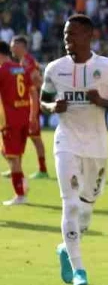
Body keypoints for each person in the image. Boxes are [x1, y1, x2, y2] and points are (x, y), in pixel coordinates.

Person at [40, 15, 108, 285]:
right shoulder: (54, 69)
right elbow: (43, 100)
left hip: (97, 146)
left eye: (74, 34)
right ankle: (79, 269)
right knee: (71, 203)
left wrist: (100, 101)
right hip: (66, 141)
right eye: (65, 35)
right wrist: (54, 107)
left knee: (86, 211)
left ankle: (65, 247)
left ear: (90, 35)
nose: (68, 40)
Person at [5, 36, 49, 180]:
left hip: (29, 105)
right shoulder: (21, 62)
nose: (11, 48)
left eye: (13, 45)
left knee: (35, 138)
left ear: (21, 46)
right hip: (23, 105)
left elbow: (36, 81)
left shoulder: (29, 61)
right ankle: (16, 169)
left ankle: (43, 169)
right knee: (19, 138)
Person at [0, 42, 32, 206]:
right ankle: (23, 182)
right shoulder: (22, 69)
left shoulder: (2, 71)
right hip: (23, 117)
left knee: (12, 158)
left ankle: (20, 194)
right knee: (13, 154)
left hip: (9, 121)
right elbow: (32, 89)